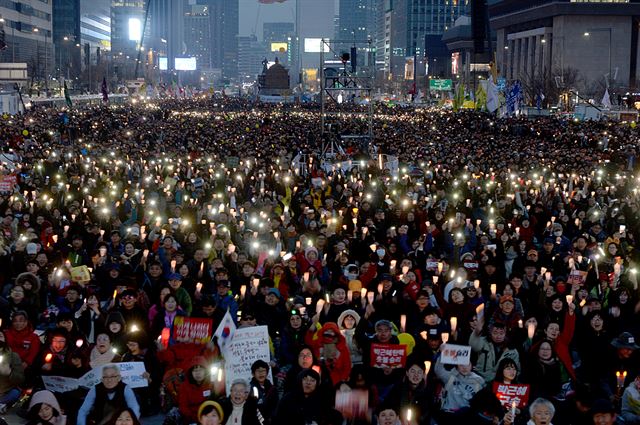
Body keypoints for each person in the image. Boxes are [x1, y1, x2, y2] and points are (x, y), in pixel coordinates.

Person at [77, 364, 141, 425]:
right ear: (102, 379)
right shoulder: (95, 389)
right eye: (105, 377)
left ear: (118, 378)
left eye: (113, 376)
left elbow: (134, 408)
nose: (109, 380)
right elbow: (83, 410)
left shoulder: (125, 388)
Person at [0, 329, 25, 413]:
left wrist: (9, 372)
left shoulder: (13, 356)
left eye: (0, 336)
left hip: (6, 393)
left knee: (15, 393)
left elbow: (21, 379)